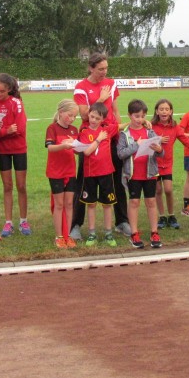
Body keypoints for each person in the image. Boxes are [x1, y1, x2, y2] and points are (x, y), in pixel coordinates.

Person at [71, 53, 130, 239]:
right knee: (83, 183)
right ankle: (76, 225)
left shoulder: (111, 83)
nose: (104, 72)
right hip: (89, 139)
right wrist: (100, 99)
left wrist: (121, 135)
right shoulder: (81, 88)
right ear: (91, 68)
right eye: (100, 69)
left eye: (106, 68)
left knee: (117, 181)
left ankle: (122, 221)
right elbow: (84, 116)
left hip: (111, 137)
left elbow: (115, 109)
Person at [152, 97, 189, 230]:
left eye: (167, 109)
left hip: (167, 164)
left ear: (171, 111)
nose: (164, 111)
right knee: (158, 190)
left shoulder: (175, 127)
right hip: (153, 164)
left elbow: (187, 142)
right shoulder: (151, 126)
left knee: (168, 189)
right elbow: (143, 137)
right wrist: (157, 139)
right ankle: (162, 216)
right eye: (161, 109)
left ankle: (171, 215)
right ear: (156, 111)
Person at [117, 99, 165, 250]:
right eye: (136, 116)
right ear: (129, 115)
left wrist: (158, 150)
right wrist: (136, 145)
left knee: (151, 202)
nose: (139, 119)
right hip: (133, 175)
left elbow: (161, 153)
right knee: (134, 202)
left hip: (149, 173)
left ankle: (154, 232)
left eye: (142, 116)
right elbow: (120, 154)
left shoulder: (150, 132)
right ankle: (134, 233)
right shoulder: (125, 135)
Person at [0, 73, 31, 237]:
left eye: (2, 91)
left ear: (9, 89)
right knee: (7, 186)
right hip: (2, 151)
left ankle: (23, 220)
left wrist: (2, 131)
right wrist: (6, 131)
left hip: (19, 149)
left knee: (21, 186)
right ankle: (8, 223)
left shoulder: (17, 103)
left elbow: (20, 129)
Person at [77, 102, 119, 248]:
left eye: (97, 118)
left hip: (106, 173)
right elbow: (87, 152)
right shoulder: (83, 132)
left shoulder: (107, 130)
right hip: (90, 174)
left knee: (107, 205)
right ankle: (92, 233)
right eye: (92, 116)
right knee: (91, 204)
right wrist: (99, 139)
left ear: (103, 120)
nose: (93, 120)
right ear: (88, 115)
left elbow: (122, 125)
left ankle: (108, 233)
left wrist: (144, 121)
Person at [45, 99, 79, 249]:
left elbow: (77, 150)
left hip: (70, 170)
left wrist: (78, 146)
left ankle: (68, 235)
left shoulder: (74, 130)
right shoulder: (52, 128)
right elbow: (50, 148)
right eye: (69, 115)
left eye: (74, 117)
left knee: (69, 203)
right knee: (59, 204)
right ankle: (59, 236)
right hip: (55, 171)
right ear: (61, 112)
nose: (71, 119)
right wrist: (64, 145)